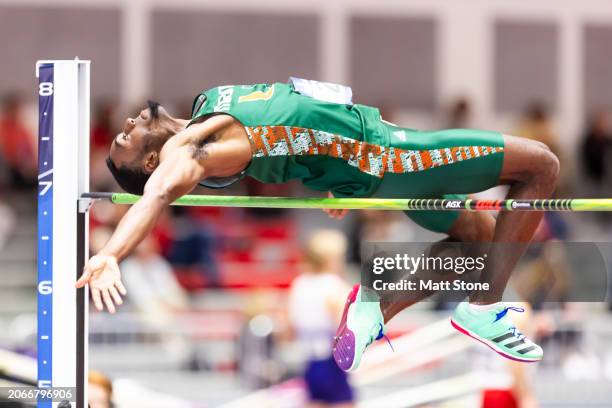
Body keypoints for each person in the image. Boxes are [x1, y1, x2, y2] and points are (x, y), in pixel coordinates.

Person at [75, 79, 558, 370]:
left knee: (475, 235)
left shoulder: (207, 109)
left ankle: (374, 311)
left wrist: (338, 179)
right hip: (393, 154)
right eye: (126, 137)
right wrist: (109, 254)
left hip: (367, 162)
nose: (130, 122)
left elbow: (297, 129)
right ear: (154, 158)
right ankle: (485, 305)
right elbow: (158, 194)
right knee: (540, 166)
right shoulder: (192, 149)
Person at [287, 229, 354, 407]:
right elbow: (344, 326)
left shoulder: (299, 284)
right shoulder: (334, 285)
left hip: (309, 358)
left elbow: (290, 328)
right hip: (331, 360)